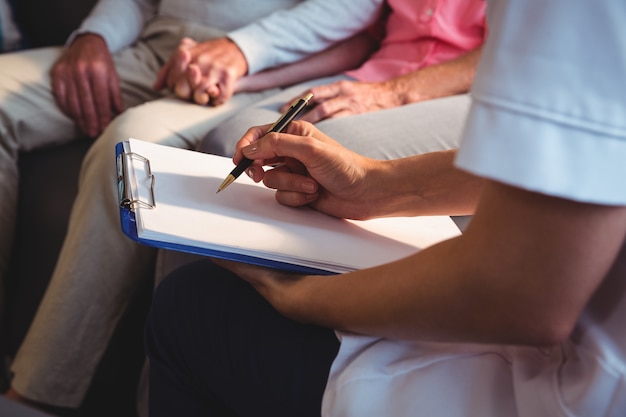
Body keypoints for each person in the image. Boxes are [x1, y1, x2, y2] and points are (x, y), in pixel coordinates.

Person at [144, 0, 626, 416]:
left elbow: (518, 291)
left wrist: (297, 296)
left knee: (191, 307)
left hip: (568, 387)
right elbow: (567, 169)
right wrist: (376, 184)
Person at [0, 0, 384, 409]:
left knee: (128, 154)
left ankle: (35, 397)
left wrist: (243, 49)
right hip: (151, 47)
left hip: (262, 69)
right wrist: (95, 36)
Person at [200, 0, 486, 160]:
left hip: (461, 94)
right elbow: (362, 38)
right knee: (229, 141)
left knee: (303, 156)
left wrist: (390, 93)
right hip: (375, 73)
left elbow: (517, 54)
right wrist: (249, 79)